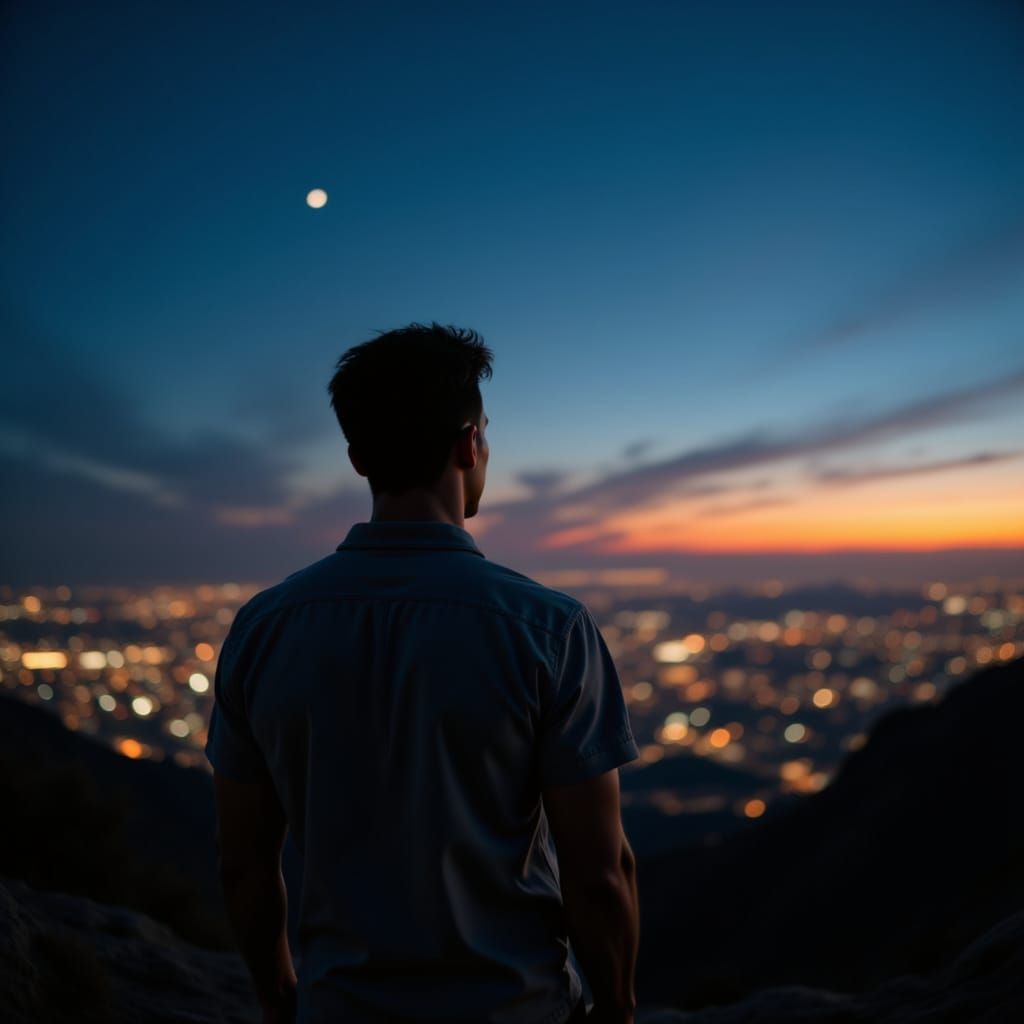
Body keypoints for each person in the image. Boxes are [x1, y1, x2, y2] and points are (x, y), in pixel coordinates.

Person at [205, 323, 641, 1024]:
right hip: (513, 1007)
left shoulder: (264, 627)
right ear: (470, 444)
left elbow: (243, 863)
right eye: (486, 436)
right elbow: (600, 872)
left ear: (357, 458)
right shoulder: (549, 628)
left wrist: (280, 996)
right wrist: (616, 1006)